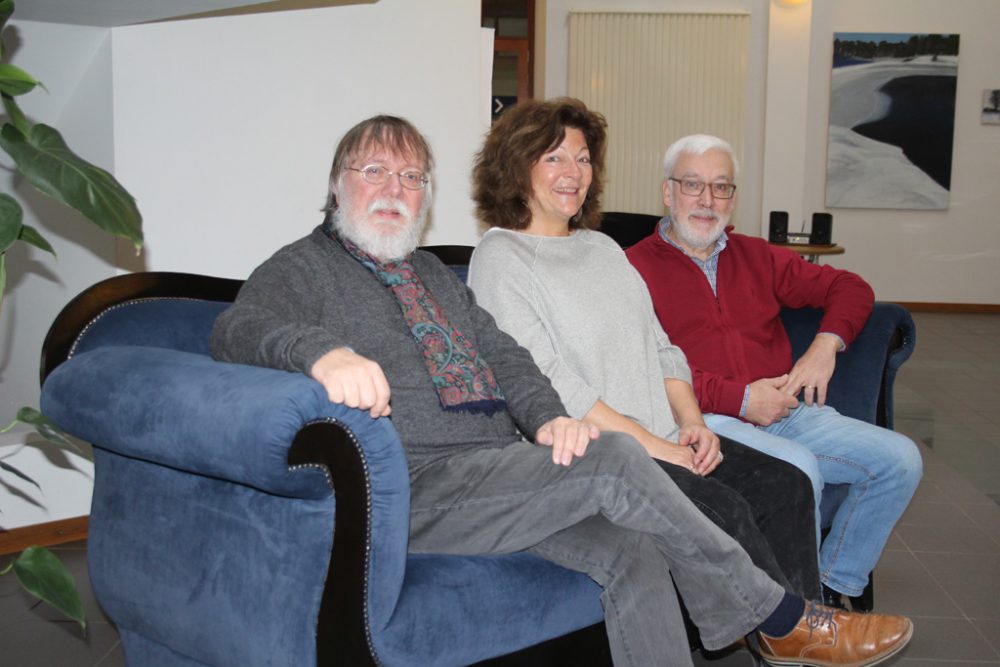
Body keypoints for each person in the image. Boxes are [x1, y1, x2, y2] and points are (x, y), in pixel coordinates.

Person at [210, 114, 913, 667]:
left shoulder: (429, 273)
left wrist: (548, 419)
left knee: (629, 548)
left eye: (414, 176)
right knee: (615, 456)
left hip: (497, 472)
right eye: (375, 171)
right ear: (337, 184)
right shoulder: (301, 269)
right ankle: (782, 619)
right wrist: (322, 353)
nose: (396, 189)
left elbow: (508, 358)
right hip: (409, 484)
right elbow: (236, 330)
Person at [467, 98, 820, 602]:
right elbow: (549, 385)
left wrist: (692, 422)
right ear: (516, 167)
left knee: (787, 486)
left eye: (583, 158)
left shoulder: (604, 248)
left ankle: (800, 638)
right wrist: (656, 448)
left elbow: (663, 349)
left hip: (664, 437)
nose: (574, 172)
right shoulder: (501, 258)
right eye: (554, 157)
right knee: (726, 507)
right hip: (596, 457)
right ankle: (799, 633)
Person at [626, 133, 923, 611]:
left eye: (721, 187)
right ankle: (789, 613)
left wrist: (824, 347)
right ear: (667, 192)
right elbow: (641, 367)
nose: (707, 201)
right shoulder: (631, 269)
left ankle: (830, 589)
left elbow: (851, 288)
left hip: (789, 410)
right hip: (706, 422)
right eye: (693, 185)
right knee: (797, 470)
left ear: (734, 197)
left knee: (900, 460)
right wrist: (740, 399)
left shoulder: (757, 255)